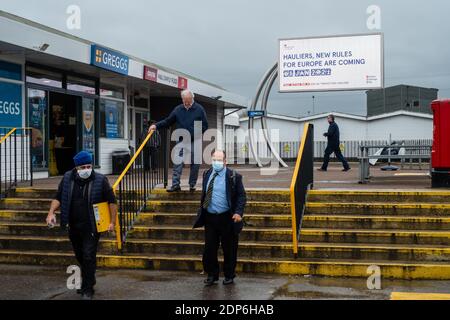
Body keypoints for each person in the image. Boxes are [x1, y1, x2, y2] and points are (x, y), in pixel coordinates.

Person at [45, 151, 117, 300]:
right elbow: (58, 197)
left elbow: (112, 201)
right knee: (80, 256)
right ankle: (90, 278)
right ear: (76, 168)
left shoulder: (100, 180)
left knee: (88, 255)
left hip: (92, 226)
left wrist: (112, 222)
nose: (86, 169)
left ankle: (87, 289)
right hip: (73, 225)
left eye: (89, 166)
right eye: (83, 167)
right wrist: (51, 213)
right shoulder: (67, 179)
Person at [193, 150, 246, 286]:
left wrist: (239, 212)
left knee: (229, 249)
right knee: (209, 248)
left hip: (227, 217)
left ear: (225, 161)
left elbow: (241, 196)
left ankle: (229, 275)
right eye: (214, 159)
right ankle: (212, 275)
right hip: (210, 217)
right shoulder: (207, 173)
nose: (216, 162)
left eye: (219, 160)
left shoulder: (233, 176)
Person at [149, 89, 208, 192]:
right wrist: (155, 125)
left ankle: (192, 184)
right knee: (178, 162)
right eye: (185, 101)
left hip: (195, 140)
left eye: (189, 101)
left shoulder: (199, 109)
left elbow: (205, 125)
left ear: (192, 99)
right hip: (181, 140)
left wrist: (195, 133)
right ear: (182, 99)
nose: (187, 104)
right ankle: (176, 184)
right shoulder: (178, 109)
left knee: (195, 163)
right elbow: (168, 121)